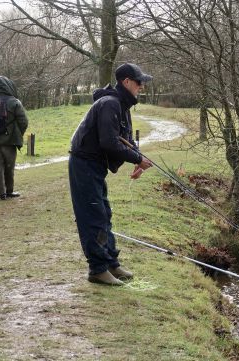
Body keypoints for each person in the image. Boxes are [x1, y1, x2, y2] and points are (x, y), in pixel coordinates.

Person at [68, 63, 153, 286]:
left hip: (95, 166)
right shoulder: (109, 104)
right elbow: (109, 142)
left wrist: (139, 158)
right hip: (83, 164)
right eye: (139, 82)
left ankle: (111, 263)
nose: (142, 86)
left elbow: (126, 139)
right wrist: (137, 159)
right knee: (94, 215)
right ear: (126, 82)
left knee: (104, 212)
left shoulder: (122, 106)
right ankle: (97, 269)